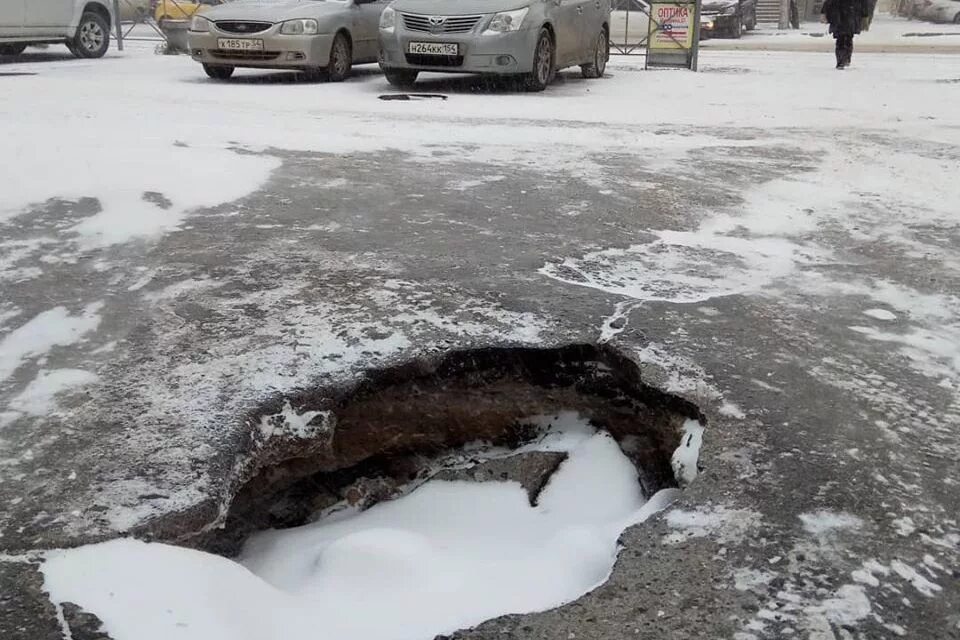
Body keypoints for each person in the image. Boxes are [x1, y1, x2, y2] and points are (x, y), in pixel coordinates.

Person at [821, 0, 870, 69]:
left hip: (848, 13)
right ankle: (842, 60)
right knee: (842, 38)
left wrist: (865, 15)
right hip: (841, 14)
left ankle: (844, 59)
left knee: (845, 38)